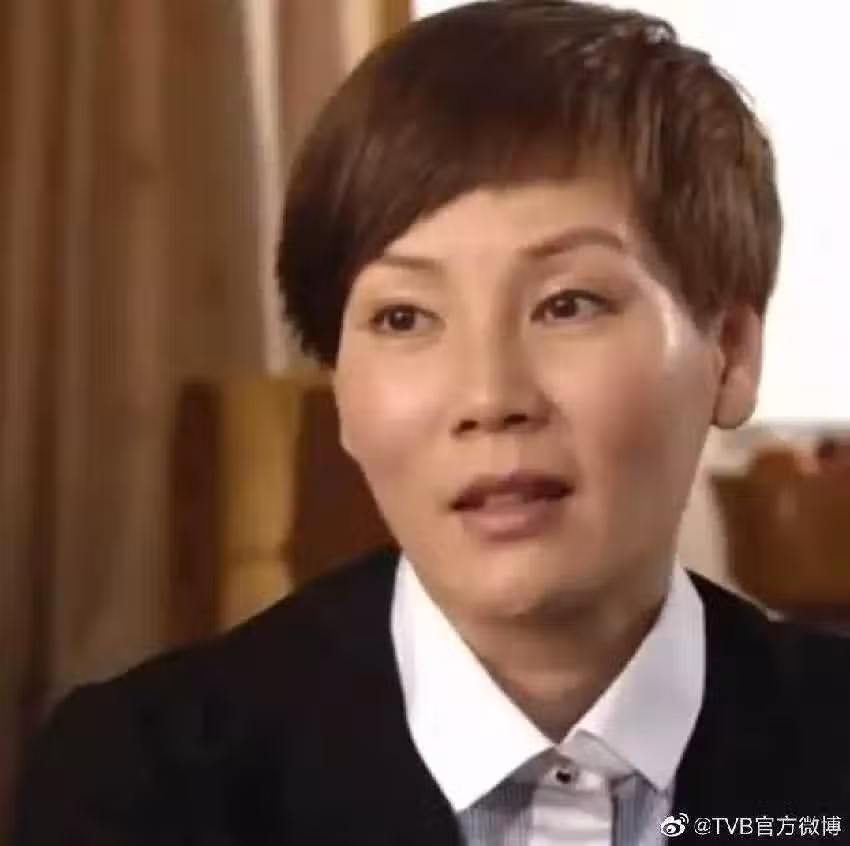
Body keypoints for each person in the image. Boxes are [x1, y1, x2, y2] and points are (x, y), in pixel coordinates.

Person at [13, 1, 850, 844]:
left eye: (568, 304)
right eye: (404, 318)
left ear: (730, 353)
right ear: (342, 389)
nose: (488, 397)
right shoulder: (142, 783)